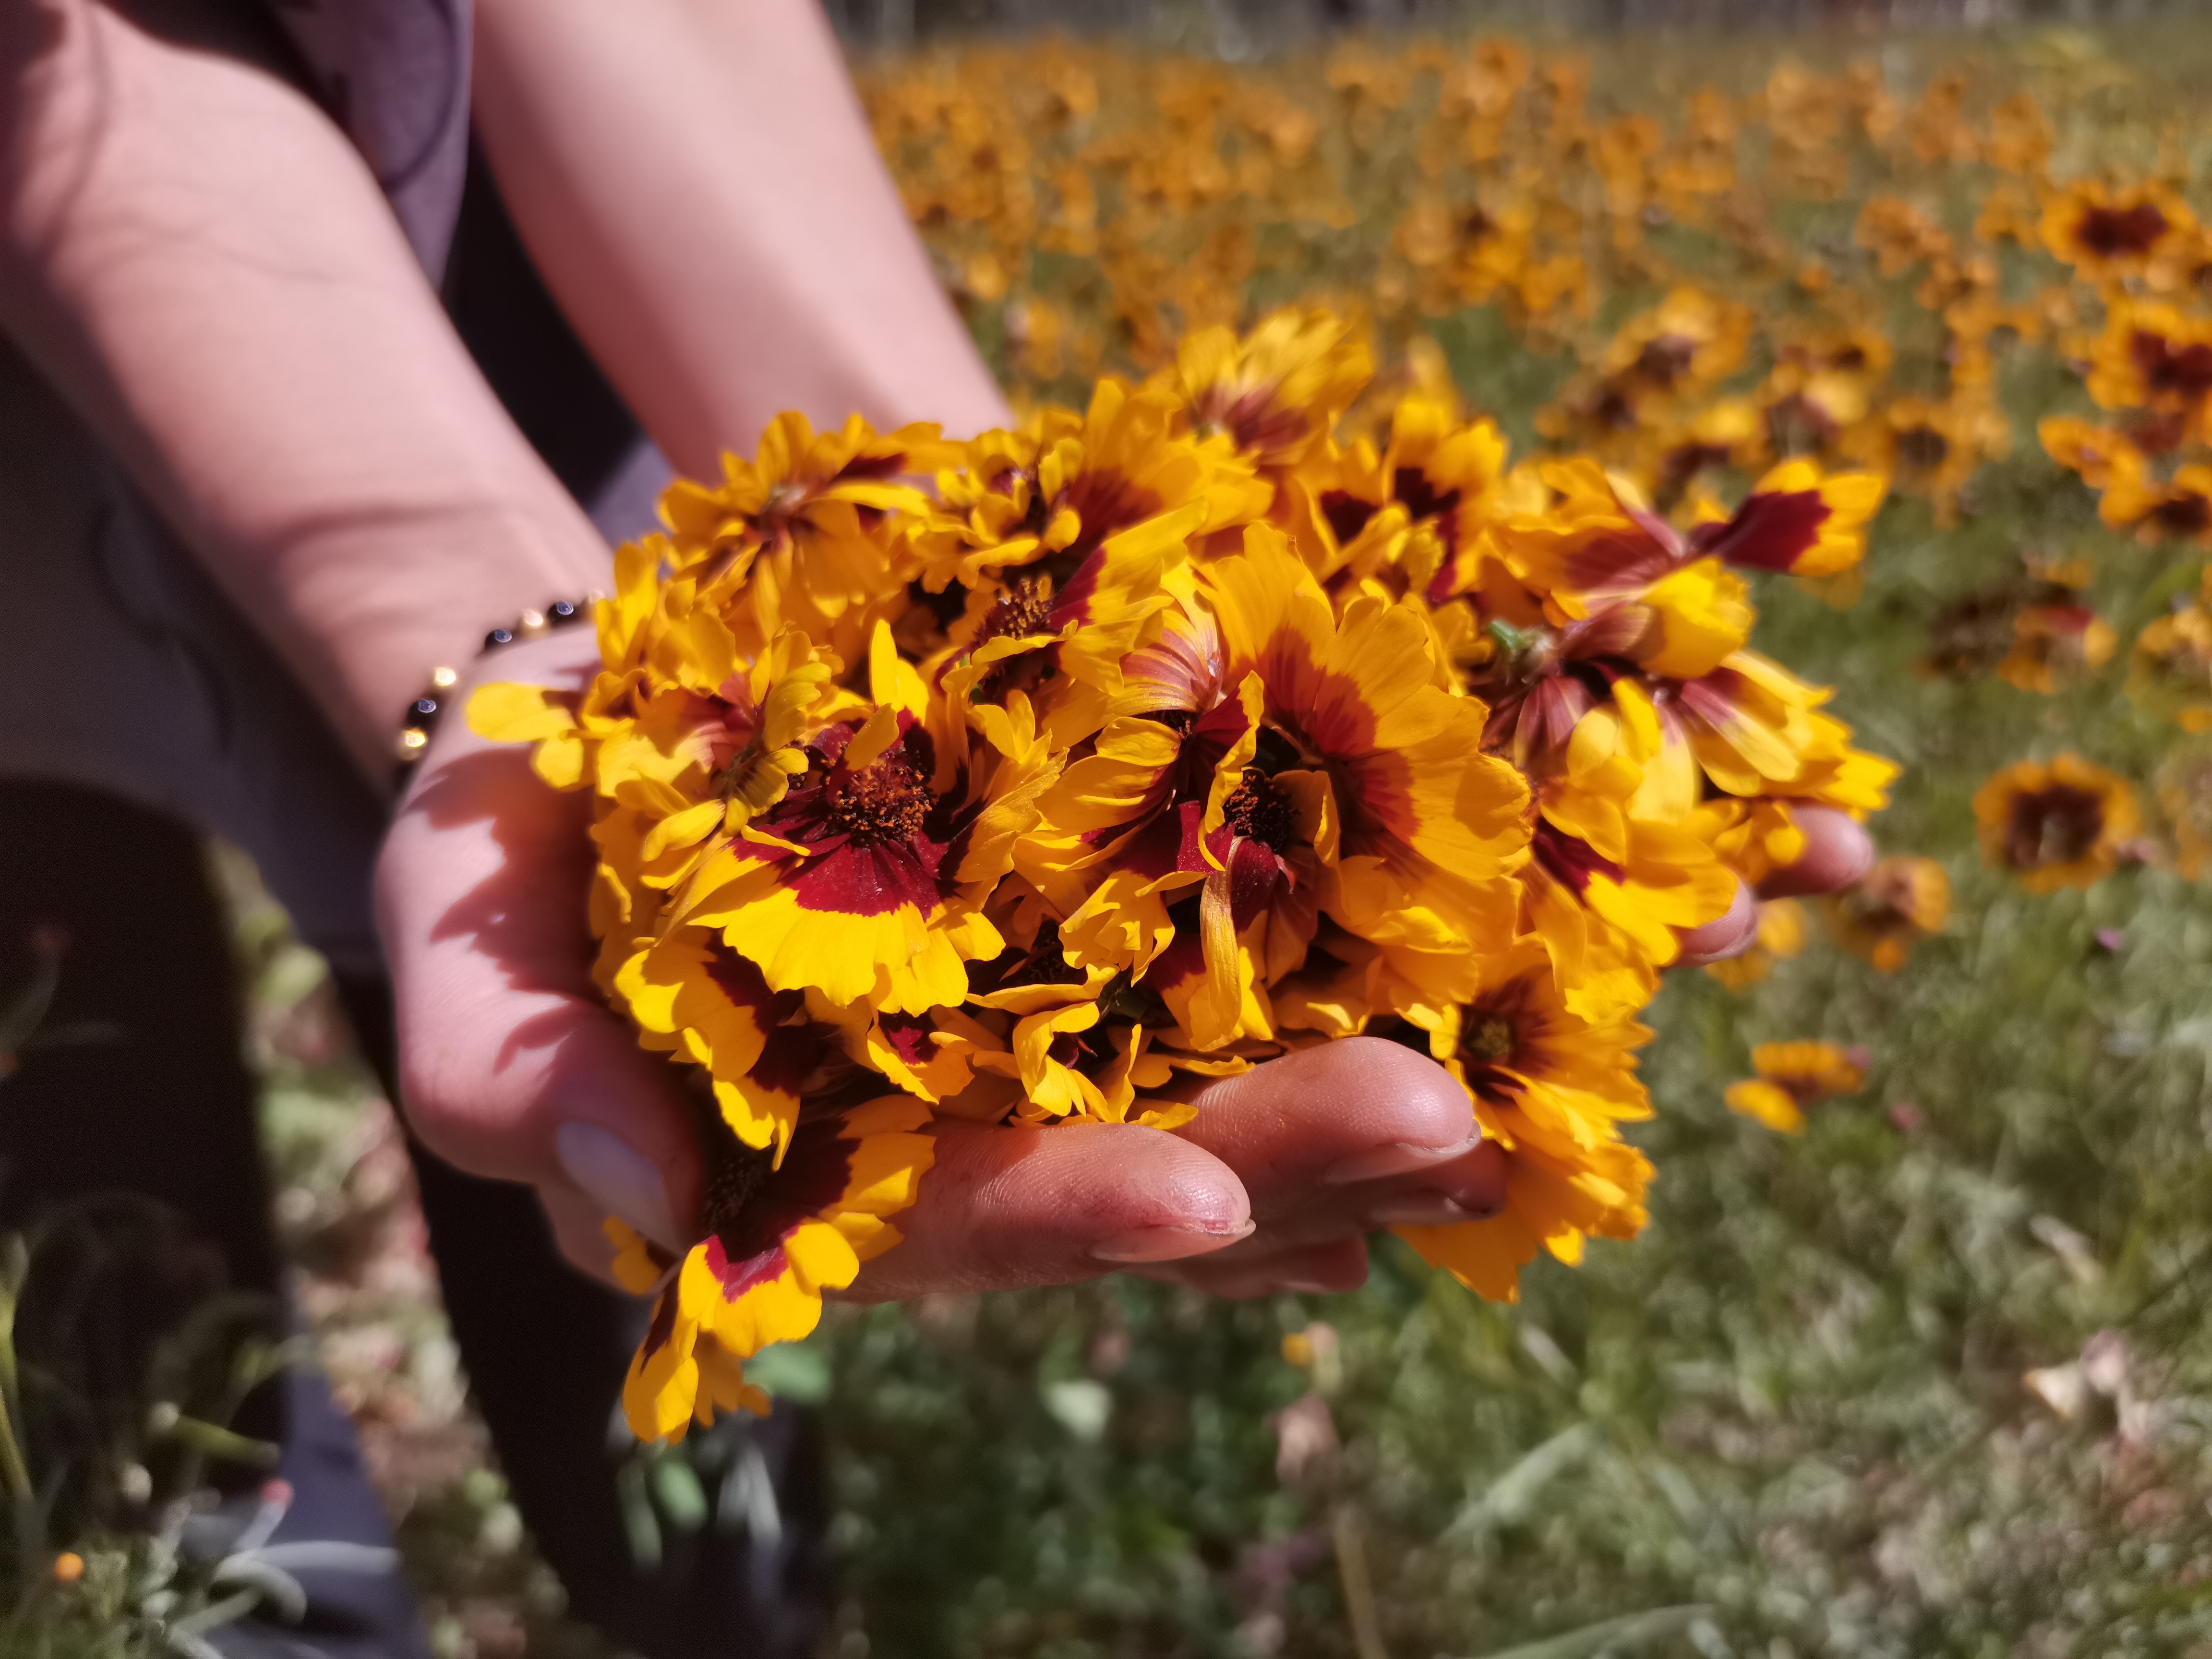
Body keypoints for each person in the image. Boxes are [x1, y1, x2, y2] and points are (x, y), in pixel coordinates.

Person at [0, 0, 1872, 1651]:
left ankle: (717, 1607)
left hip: (528, 311)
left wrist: (983, 490)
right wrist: (497, 637)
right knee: (111, 1224)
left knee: (604, 1167)